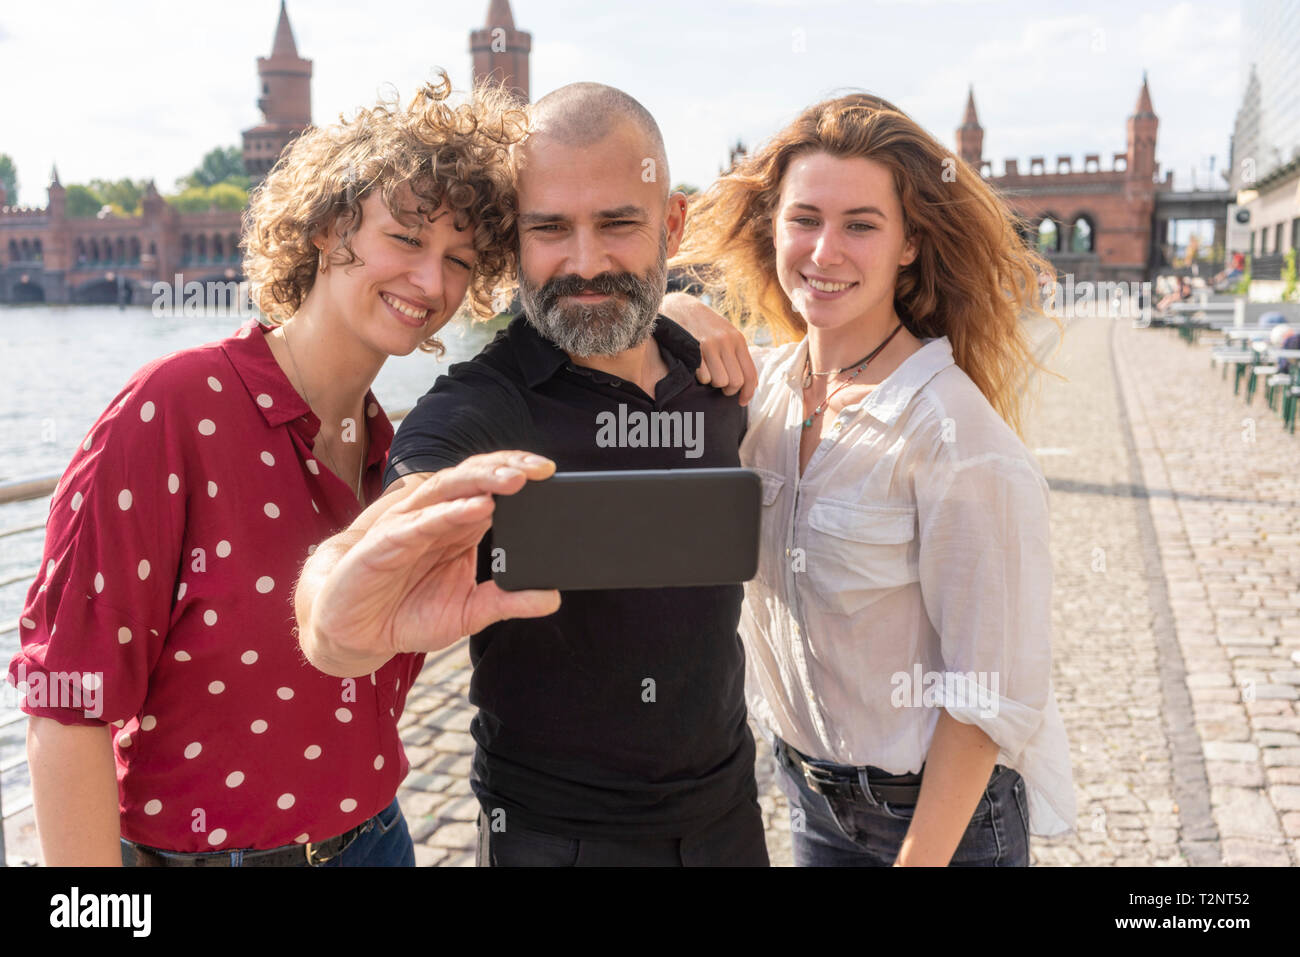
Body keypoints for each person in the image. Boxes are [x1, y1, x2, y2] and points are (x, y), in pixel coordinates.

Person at [9, 75, 529, 866]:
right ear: (326, 228)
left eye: (459, 258)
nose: (432, 282)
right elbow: (67, 705)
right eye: (406, 239)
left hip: (378, 841)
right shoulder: (175, 408)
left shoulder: (395, 455)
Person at [294, 83, 769, 867]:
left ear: (672, 225)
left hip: (729, 819)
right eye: (550, 229)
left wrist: (685, 311)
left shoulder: (712, 370)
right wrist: (336, 610)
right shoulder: (485, 400)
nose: (586, 262)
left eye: (619, 223)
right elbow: (401, 505)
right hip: (551, 840)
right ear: (513, 241)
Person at [663, 92, 1077, 865]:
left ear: (910, 243)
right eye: (804, 219)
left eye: (861, 224)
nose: (825, 251)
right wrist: (670, 309)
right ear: (773, 228)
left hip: (939, 829)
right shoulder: (761, 396)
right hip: (810, 800)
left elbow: (985, 699)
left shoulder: (956, 438)